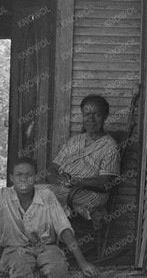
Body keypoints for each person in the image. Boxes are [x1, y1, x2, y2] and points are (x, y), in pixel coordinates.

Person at [45, 94, 121, 222]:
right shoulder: (74, 141)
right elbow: (53, 168)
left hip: (90, 193)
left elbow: (106, 182)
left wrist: (77, 181)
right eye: (86, 114)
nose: (90, 119)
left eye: (96, 114)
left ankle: (43, 238)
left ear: (105, 116)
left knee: (38, 197)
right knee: (24, 193)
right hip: (64, 188)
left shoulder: (110, 146)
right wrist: (58, 178)